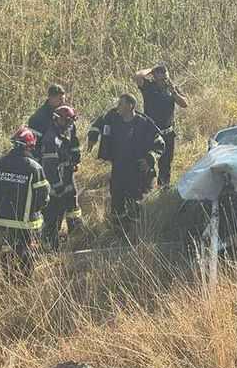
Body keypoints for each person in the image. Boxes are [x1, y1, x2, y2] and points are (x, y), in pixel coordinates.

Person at [0, 127, 50, 279]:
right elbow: (43, 196)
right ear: (30, 146)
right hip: (26, 222)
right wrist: (37, 210)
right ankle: (24, 280)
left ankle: (8, 279)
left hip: (2, 219)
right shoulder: (34, 167)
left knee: (6, 250)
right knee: (26, 250)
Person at [87, 93, 165, 221]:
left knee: (133, 202)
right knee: (116, 200)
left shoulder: (143, 124)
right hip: (118, 168)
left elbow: (159, 144)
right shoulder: (113, 118)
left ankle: (134, 230)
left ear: (131, 106)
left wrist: (149, 159)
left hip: (136, 170)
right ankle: (119, 228)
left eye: (120, 104)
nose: (117, 107)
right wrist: (92, 136)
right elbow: (99, 122)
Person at [133, 64, 188, 189]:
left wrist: (175, 93)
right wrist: (152, 69)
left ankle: (164, 187)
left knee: (166, 164)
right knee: (148, 161)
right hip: (151, 133)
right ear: (155, 78)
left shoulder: (172, 89)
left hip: (167, 133)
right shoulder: (148, 87)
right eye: (161, 79)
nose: (165, 81)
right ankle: (146, 187)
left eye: (167, 78)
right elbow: (137, 76)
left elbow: (185, 104)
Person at [40, 105, 83, 250]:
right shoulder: (51, 140)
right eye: (68, 122)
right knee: (53, 219)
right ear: (60, 121)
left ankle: (76, 236)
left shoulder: (65, 132)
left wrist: (75, 161)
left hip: (67, 182)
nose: (70, 125)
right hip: (56, 189)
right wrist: (59, 188)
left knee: (73, 209)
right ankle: (49, 248)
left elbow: (74, 145)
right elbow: (50, 169)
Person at [28, 84, 81, 168]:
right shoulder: (38, 118)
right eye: (60, 99)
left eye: (64, 99)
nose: (63, 102)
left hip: (66, 165)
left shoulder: (67, 114)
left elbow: (73, 139)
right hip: (46, 164)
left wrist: (76, 159)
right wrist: (37, 165)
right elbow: (34, 145)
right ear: (50, 98)